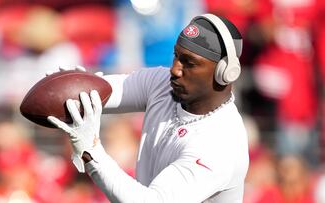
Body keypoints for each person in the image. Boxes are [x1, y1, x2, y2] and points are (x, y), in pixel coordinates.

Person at [47, 13, 249, 202]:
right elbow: (106, 92)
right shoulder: (161, 83)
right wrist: (73, 86)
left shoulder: (221, 143)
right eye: (176, 56)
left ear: (225, 73)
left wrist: (90, 151)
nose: (175, 69)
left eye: (190, 63)